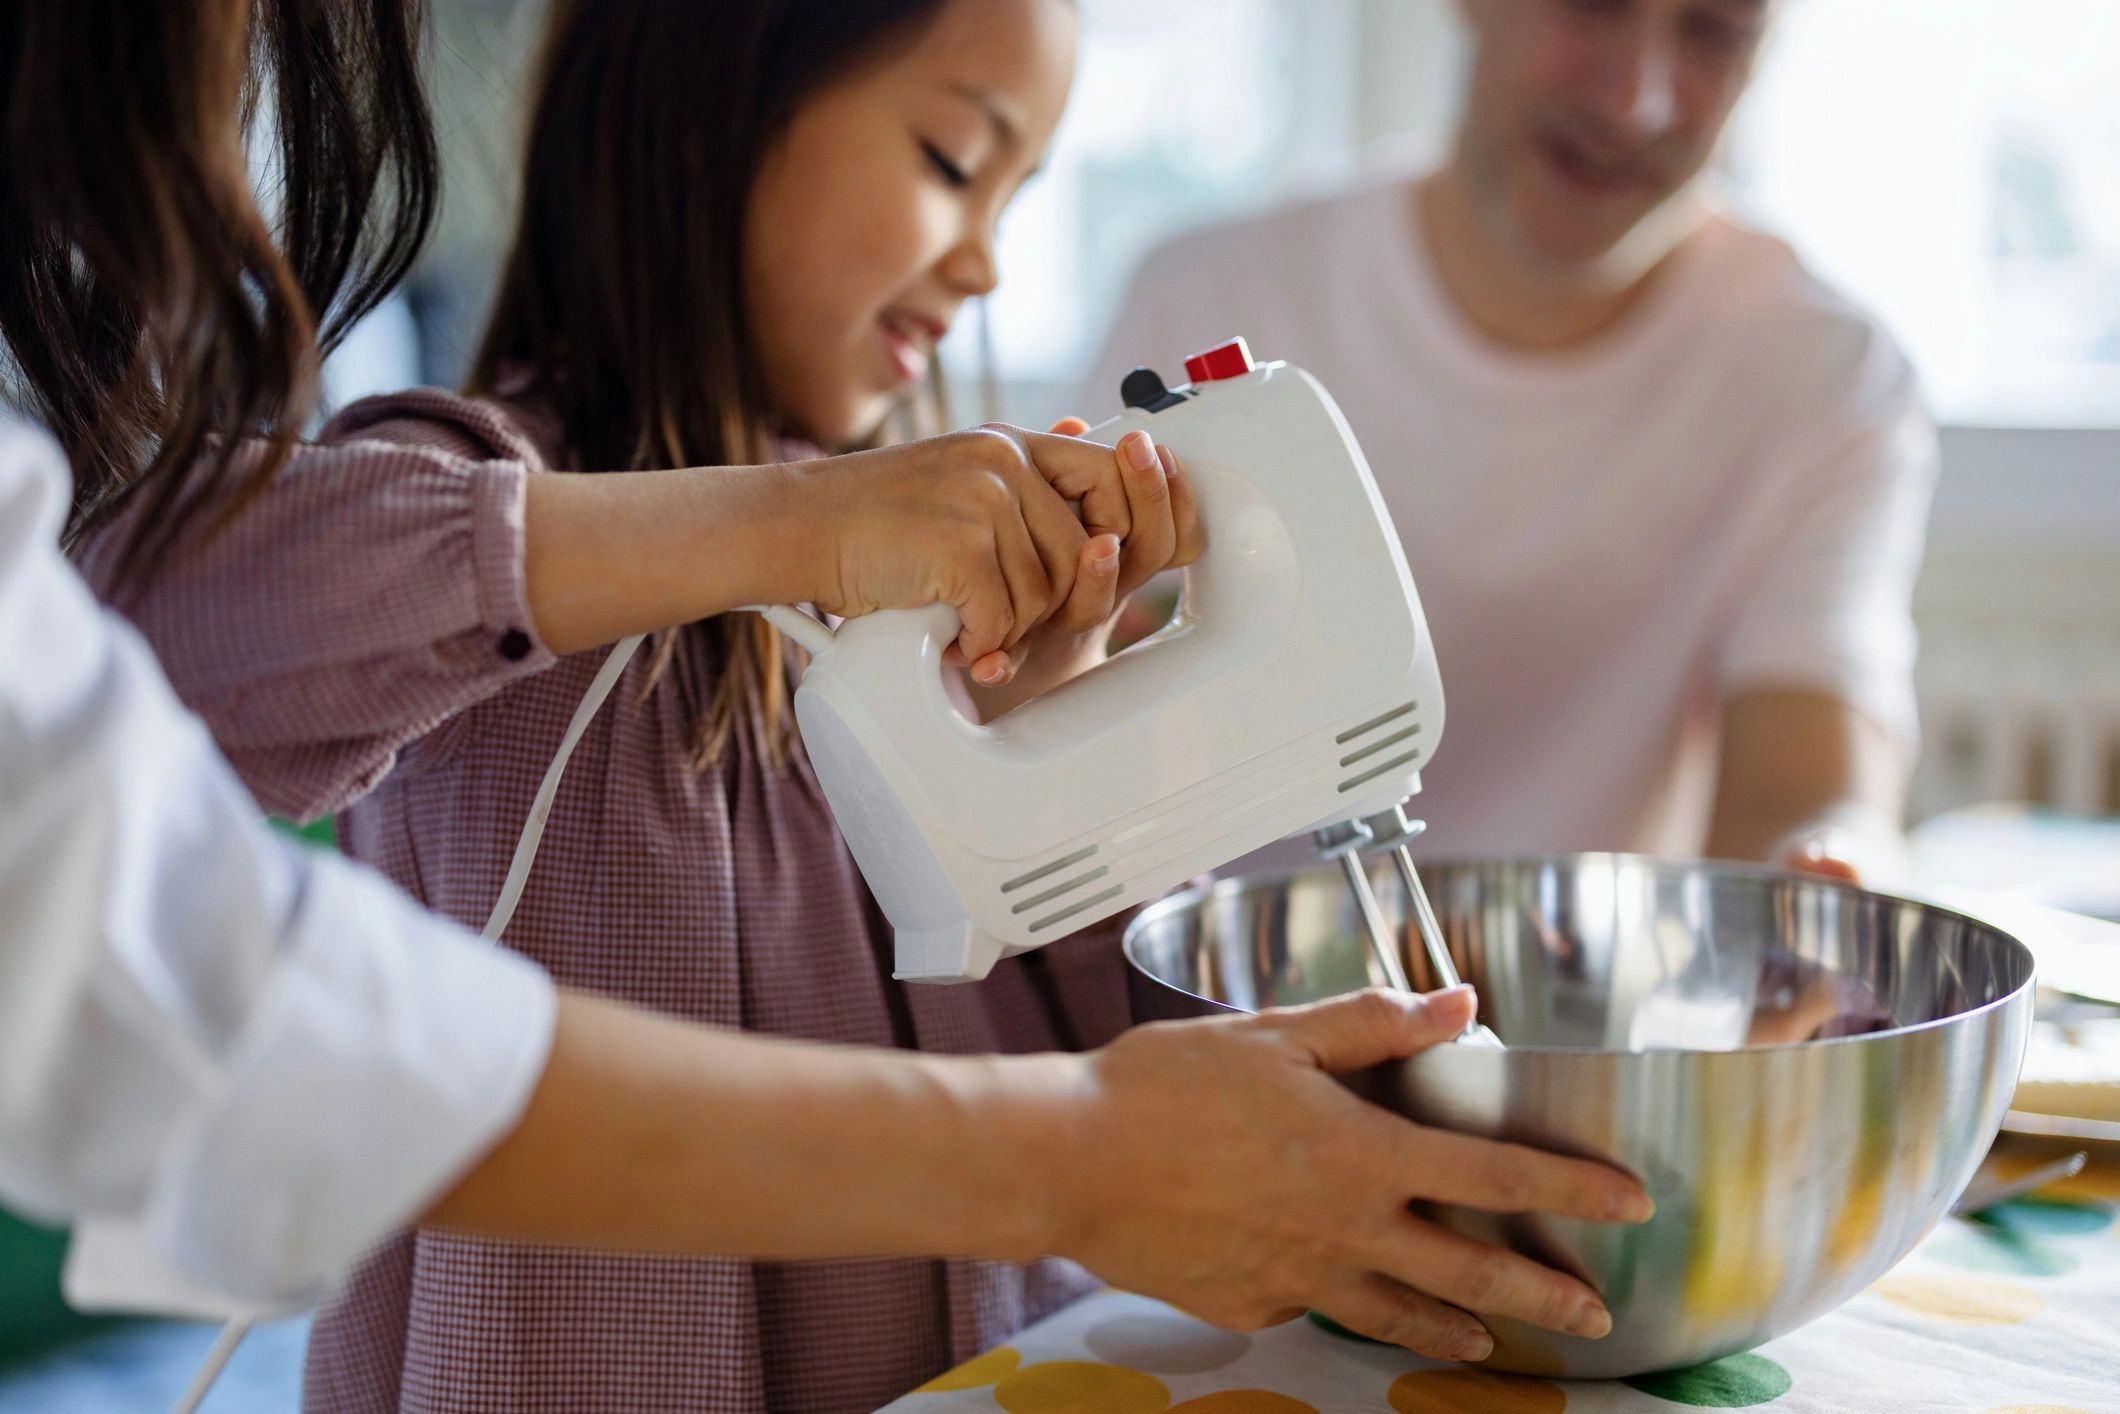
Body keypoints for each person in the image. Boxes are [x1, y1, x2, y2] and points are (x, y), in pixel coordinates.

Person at [0, 0, 1651, 1406]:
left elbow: (1092, 1049)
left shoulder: (930, 606)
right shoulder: (480, 515)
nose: (989, 258)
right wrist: (784, 524)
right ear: (716, 97)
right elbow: (164, 616)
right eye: (952, 158)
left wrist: (1076, 753)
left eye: (1021, 192)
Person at [1085, 0, 1936, 882]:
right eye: (1590, 10)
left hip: (1594, 1002)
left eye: (1714, 33)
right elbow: (1077, 710)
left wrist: (1830, 882)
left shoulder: (1824, 373)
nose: (1635, 103)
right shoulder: (1204, 297)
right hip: (1201, 992)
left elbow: (1808, 790)